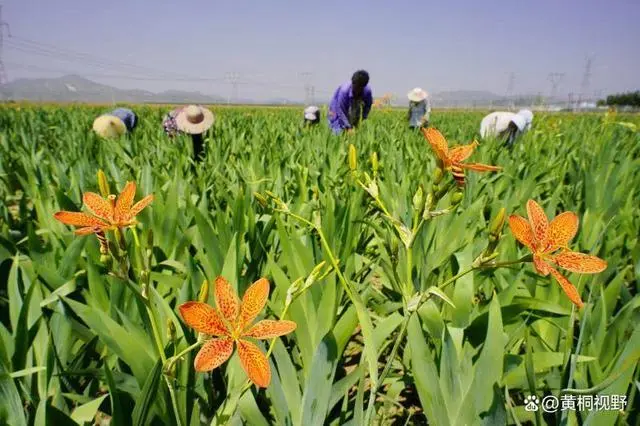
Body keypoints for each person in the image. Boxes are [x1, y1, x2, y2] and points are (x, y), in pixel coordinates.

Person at [328, 70, 373, 134]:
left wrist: (362, 119)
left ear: (363, 86)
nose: (356, 90)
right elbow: (341, 110)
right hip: (336, 109)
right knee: (338, 131)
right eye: (355, 87)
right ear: (352, 83)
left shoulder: (367, 91)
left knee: (354, 130)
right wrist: (348, 127)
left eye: (359, 88)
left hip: (353, 107)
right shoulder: (344, 91)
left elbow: (367, 106)